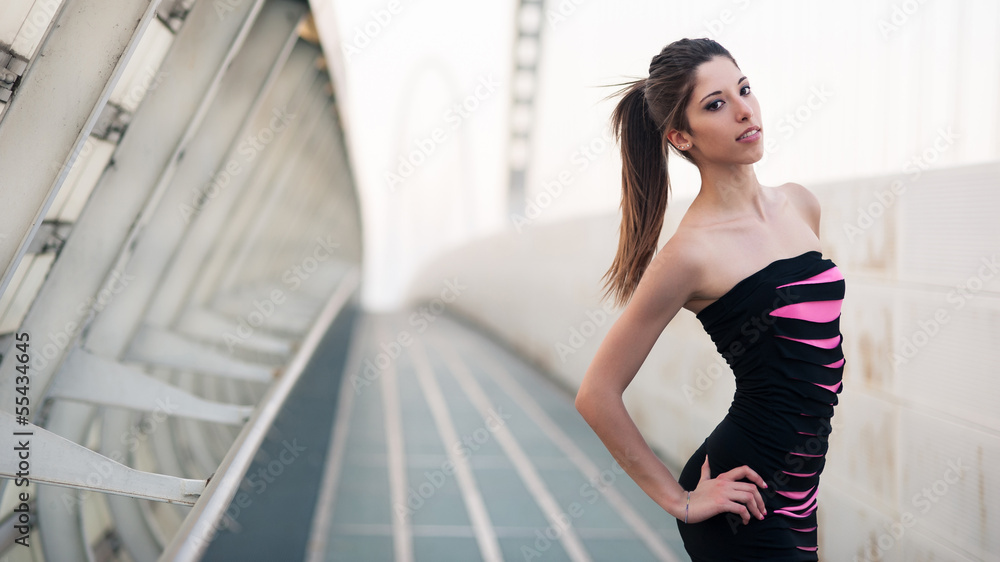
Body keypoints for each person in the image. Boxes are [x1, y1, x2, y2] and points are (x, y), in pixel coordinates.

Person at [574, 38, 846, 561]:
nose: (745, 110)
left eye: (744, 89)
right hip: (743, 501)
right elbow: (596, 393)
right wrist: (680, 500)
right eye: (716, 104)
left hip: (800, 495)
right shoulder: (688, 254)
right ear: (681, 135)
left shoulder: (800, 204)